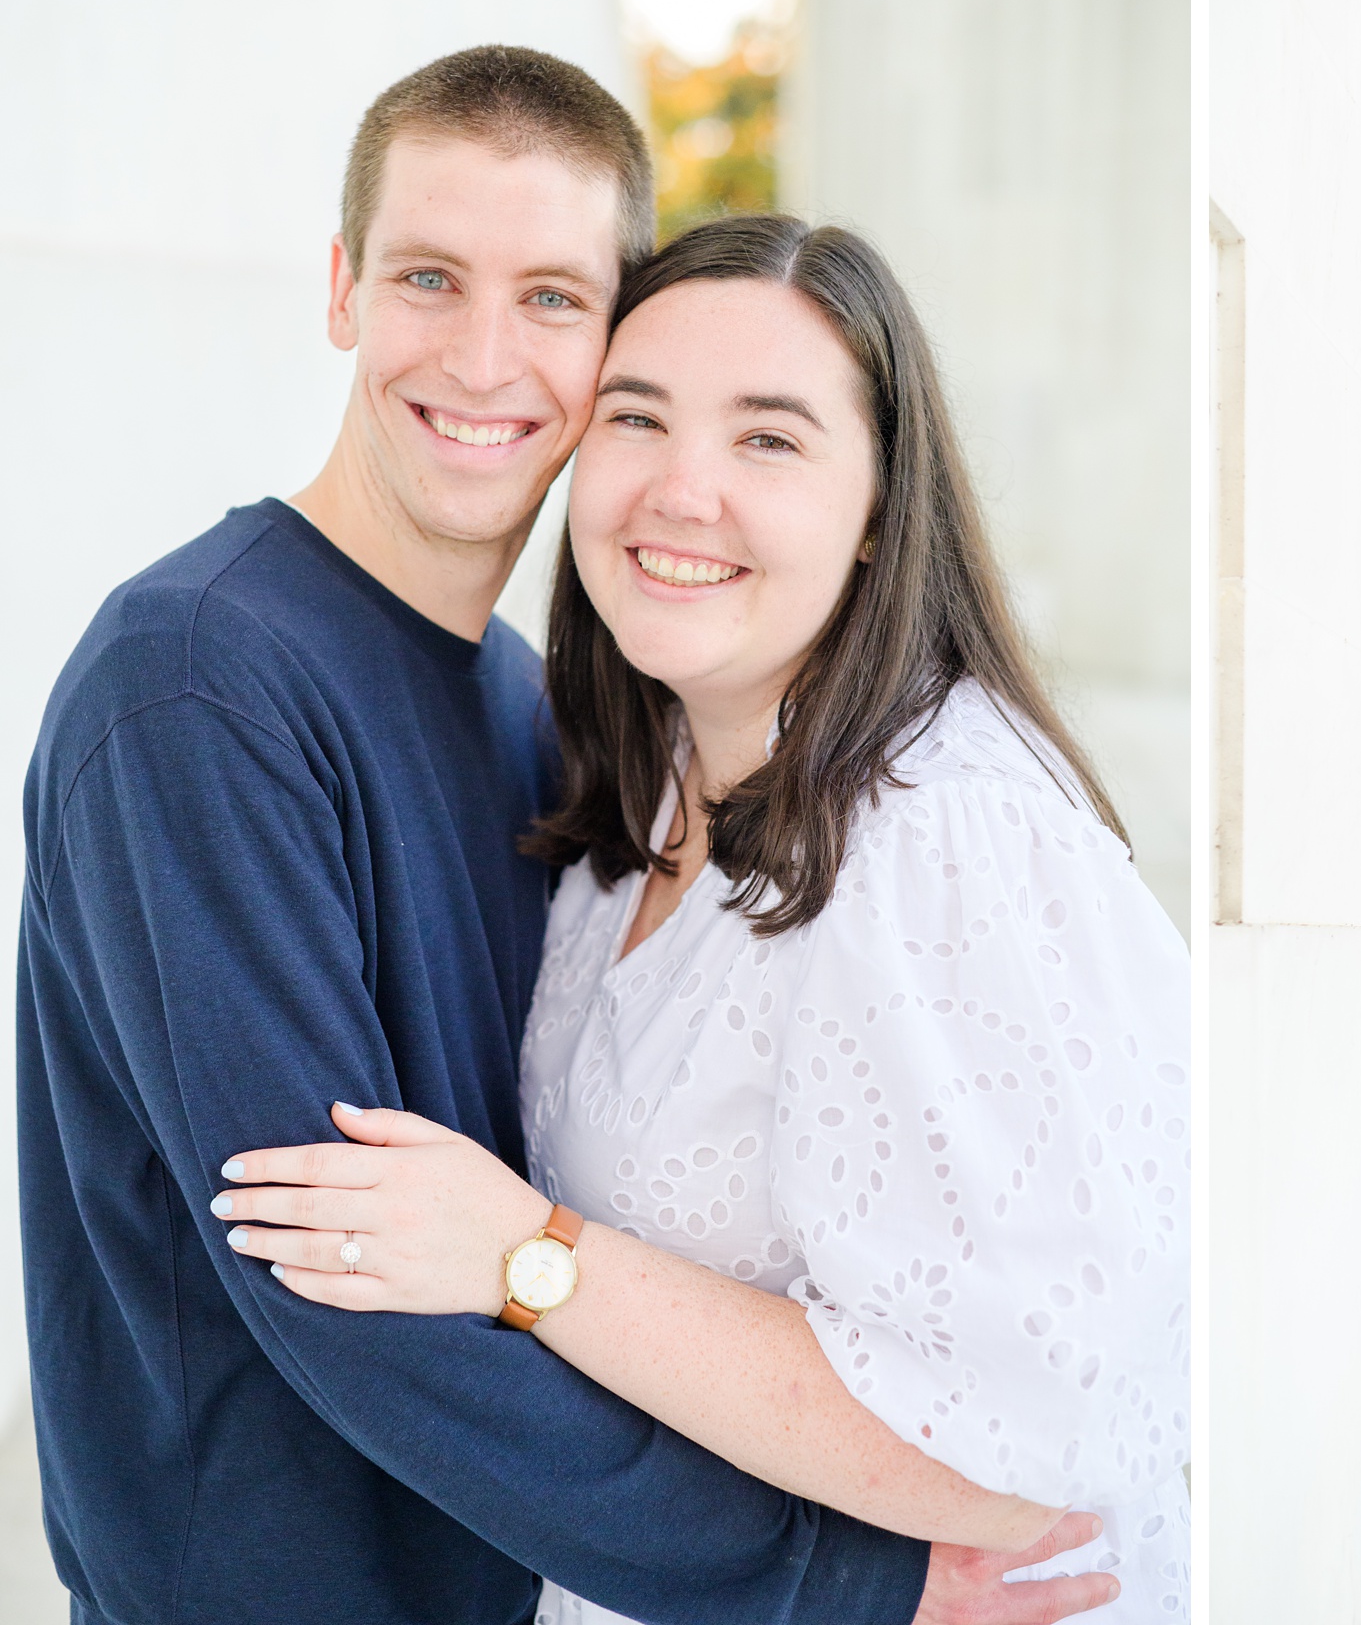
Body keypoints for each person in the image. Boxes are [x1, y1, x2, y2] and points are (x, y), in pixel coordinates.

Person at [18, 46, 1113, 1625]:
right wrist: (828, 1576)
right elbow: (343, 1286)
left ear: (614, 340)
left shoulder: (536, 706)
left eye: (549, 298)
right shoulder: (194, 685)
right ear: (341, 290)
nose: (481, 356)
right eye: (427, 277)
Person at [212, 212, 1192, 1620]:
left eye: (770, 439)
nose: (681, 490)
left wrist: (526, 1256)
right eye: (638, 418)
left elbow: (1019, 1455)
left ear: (875, 519)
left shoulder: (941, 835)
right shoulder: (644, 779)